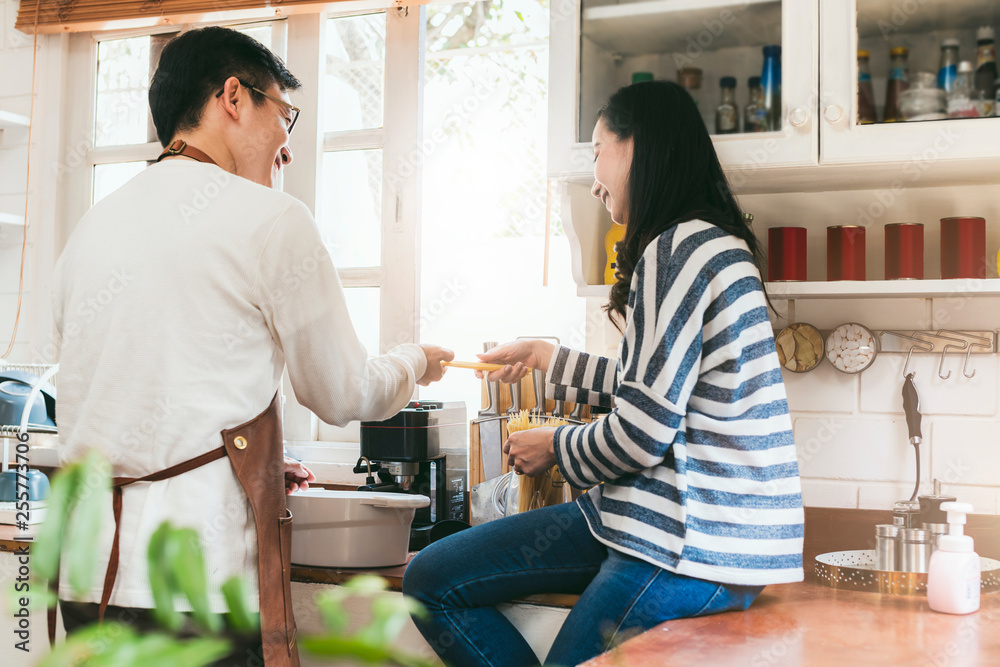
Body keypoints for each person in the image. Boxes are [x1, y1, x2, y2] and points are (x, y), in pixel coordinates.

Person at [52, 26, 453, 666]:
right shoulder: (272, 222)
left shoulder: (90, 230)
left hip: (83, 576)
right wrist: (415, 360)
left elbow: (101, 396)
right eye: (284, 115)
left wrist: (252, 466)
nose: (287, 145)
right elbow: (343, 391)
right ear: (234, 98)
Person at [402, 80, 804, 667]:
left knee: (431, 585)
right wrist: (547, 356)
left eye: (597, 151)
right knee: (433, 574)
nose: (594, 180)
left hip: (686, 541)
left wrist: (555, 446)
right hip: (694, 531)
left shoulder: (677, 249)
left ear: (637, 146)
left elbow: (642, 432)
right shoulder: (714, 244)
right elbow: (657, 389)